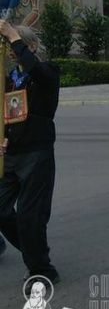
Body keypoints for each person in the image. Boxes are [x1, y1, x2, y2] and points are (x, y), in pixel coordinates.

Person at [0, 22, 60, 294]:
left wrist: (12, 34)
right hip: (10, 154)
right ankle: (34, 250)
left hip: (36, 154)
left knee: (29, 215)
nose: (13, 53)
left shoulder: (46, 73)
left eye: (17, 47)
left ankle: (41, 269)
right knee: (2, 211)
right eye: (10, 48)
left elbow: (34, 68)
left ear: (31, 46)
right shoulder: (10, 79)